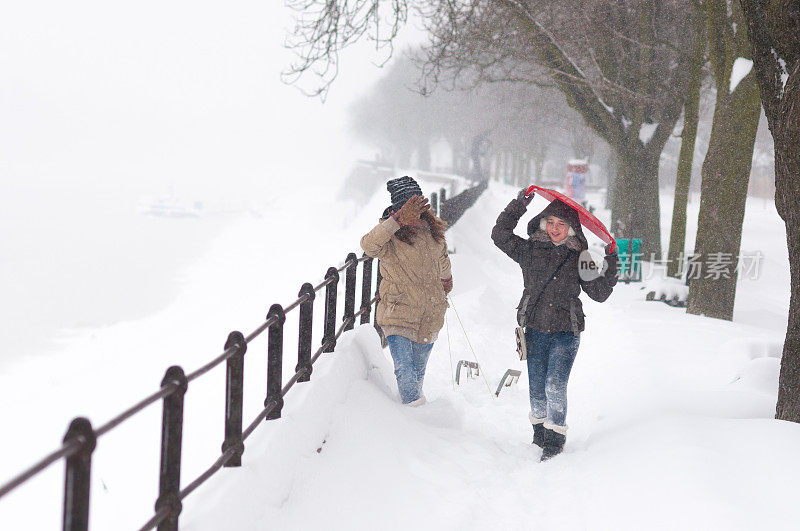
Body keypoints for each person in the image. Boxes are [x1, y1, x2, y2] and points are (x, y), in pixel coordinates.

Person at [491, 188, 618, 460]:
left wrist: (611, 260)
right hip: (534, 329)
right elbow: (499, 236)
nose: (555, 228)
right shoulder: (530, 250)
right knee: (537, 387)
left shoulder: (580, 258)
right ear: (542, 223)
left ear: (572, 229)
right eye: (550, 222)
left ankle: (555, 439)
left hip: (565, 331)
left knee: (555, 385)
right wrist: (518, 205)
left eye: (561, 224)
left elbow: (600, 293)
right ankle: (539, 435)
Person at [361, 176, 453, 406]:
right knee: (404, 371)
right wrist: (397, 221)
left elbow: (442, 258)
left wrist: (446, 278)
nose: (413, 210)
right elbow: (368, 246)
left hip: (430, 315)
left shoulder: (432, 230)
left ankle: (412, 418)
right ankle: (415, 422)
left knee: (417, 375)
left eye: (416, 202)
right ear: (397, 207)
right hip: (398, 313)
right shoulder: (389, 233)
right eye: (406, 205)